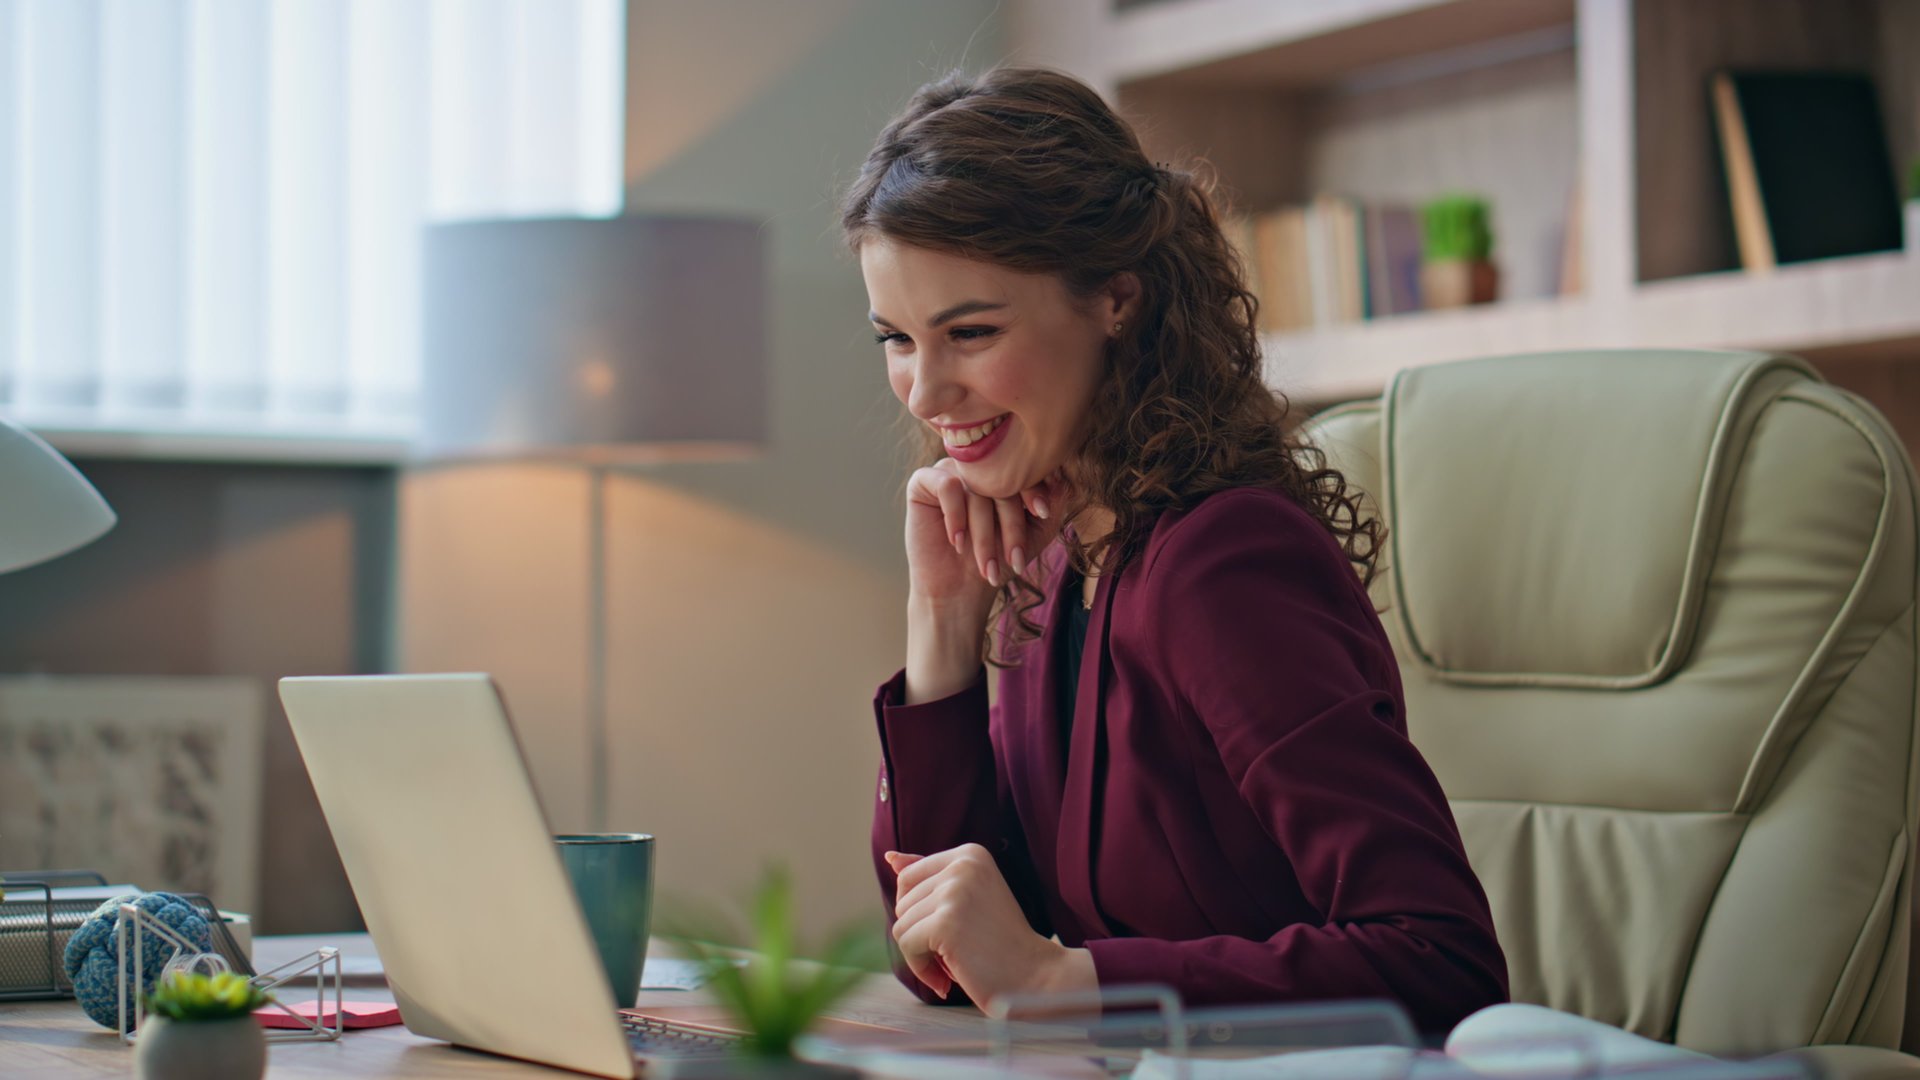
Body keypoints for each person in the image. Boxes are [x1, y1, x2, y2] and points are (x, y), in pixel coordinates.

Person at [837, 65, 1508, 1035]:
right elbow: (945, 963)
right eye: (895, 340)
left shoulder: (1224, 563)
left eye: (970, 332)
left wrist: (1072, 983)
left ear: (1116, 300)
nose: (926, 393)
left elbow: (1441, 957)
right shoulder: (1053, 555)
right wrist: (941, 622)